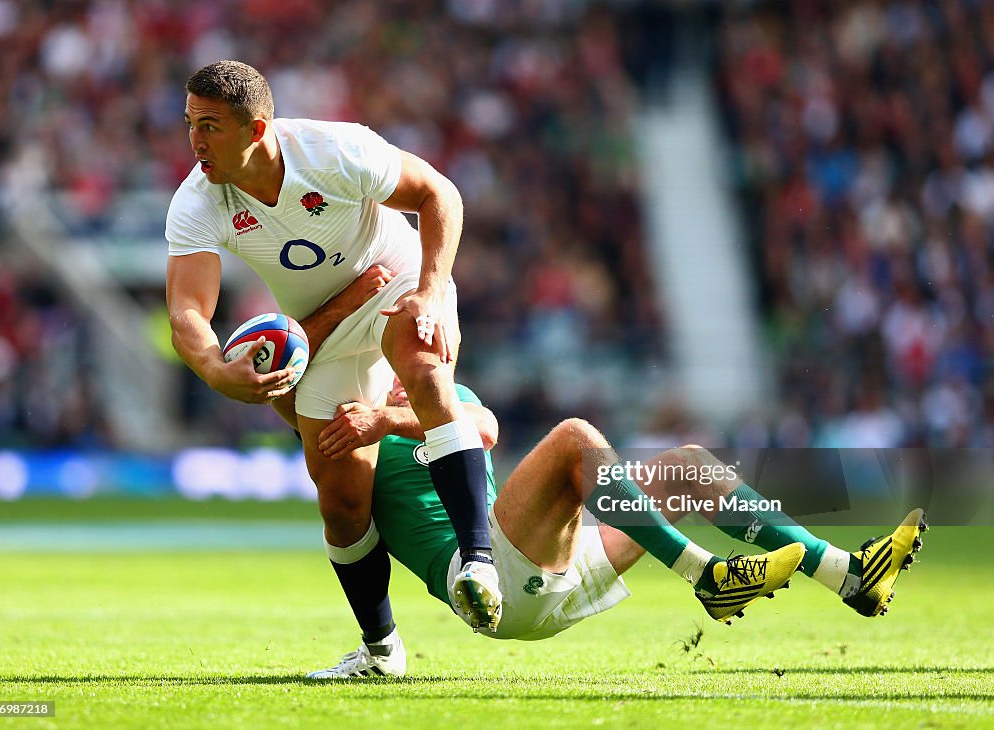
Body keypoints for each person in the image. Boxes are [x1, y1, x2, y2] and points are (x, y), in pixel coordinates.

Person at [164, 60, 503, 662]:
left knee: (425, 370)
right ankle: (381, 649)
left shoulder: (334, 149)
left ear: (258, 130)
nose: (195, 142)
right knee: (341, 499)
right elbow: (188, 310)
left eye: (210, 126)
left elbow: (437, 193)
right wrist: (217, 368)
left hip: (398, 280)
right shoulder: (198, 198)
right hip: (328, 330)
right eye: (190, 123)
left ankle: (479, 562)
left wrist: (430, 287)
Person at [302, 378, 927, 678]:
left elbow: (483, 429)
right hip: (490, 585)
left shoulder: (429, 395)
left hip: (552, 568)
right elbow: (351, 530)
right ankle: (706, 574)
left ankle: (849, 575)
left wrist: (386, 418)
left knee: (690, 466)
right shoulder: (344, 429)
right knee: (575, 440)